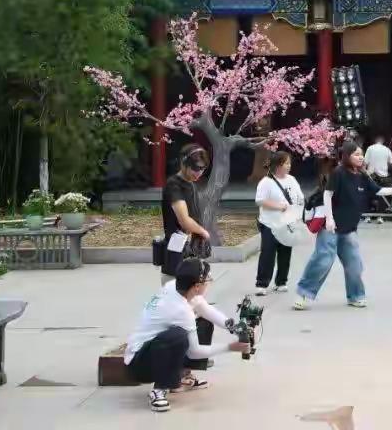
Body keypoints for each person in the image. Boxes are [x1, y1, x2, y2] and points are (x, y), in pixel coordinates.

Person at [124, 258, 249, 412]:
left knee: (203, 323)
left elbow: (205, 309)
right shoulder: (180, 310)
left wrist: (234, 327)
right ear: (197, 286)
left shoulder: (174, 287)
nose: (209, 282)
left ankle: (181, 376)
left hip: (150, 352)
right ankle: (159, 389)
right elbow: (195, 352)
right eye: (207, 279)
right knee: (178, 336)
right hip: (138, 365)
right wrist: (230, 347)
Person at [294, 142, 392, 310]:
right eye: (356, 154)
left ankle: (355, 296)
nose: (360, 157)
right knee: (323, 260)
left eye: (361, 154)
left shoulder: (362, 175)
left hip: (349, 229)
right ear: (347, 156)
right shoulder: (338, 173)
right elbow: (327, 195)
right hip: (330, 229)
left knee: (354, 265)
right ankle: (303, 293)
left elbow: (378, 190)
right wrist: (329, 219)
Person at [254, 151, 304, 296]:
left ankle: (281, 281)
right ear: (278, 165)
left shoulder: (292, 180)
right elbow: (260, 200)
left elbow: (300, 197)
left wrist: (298, 213)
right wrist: (278, 206)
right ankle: (262, 283)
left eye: (289, 163)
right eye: (286, 163)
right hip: (270, 223)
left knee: (285, 252)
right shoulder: (266, 182)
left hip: (287, 223)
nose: (289, 166)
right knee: (268, 253)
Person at [161, 144, 212, 281]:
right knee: (175, 287)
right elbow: (184, 220)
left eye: (203, 169)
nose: (199, 173)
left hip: (191, 249)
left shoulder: (191, 183)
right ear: (184, 164)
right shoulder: (174, 185)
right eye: (196, 168)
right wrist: (203, 232)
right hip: (177, 246)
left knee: (196, 288)